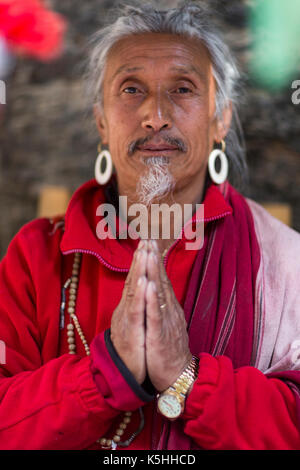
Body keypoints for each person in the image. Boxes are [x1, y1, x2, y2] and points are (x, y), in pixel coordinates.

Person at [0, 1, 300, 450]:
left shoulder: (286, 261)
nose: (155, 115)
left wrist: (187, 378)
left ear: (221, 119)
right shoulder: (36, 255)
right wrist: (107, 373)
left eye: (182, 89)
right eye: (131, 89)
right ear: (102, 121)